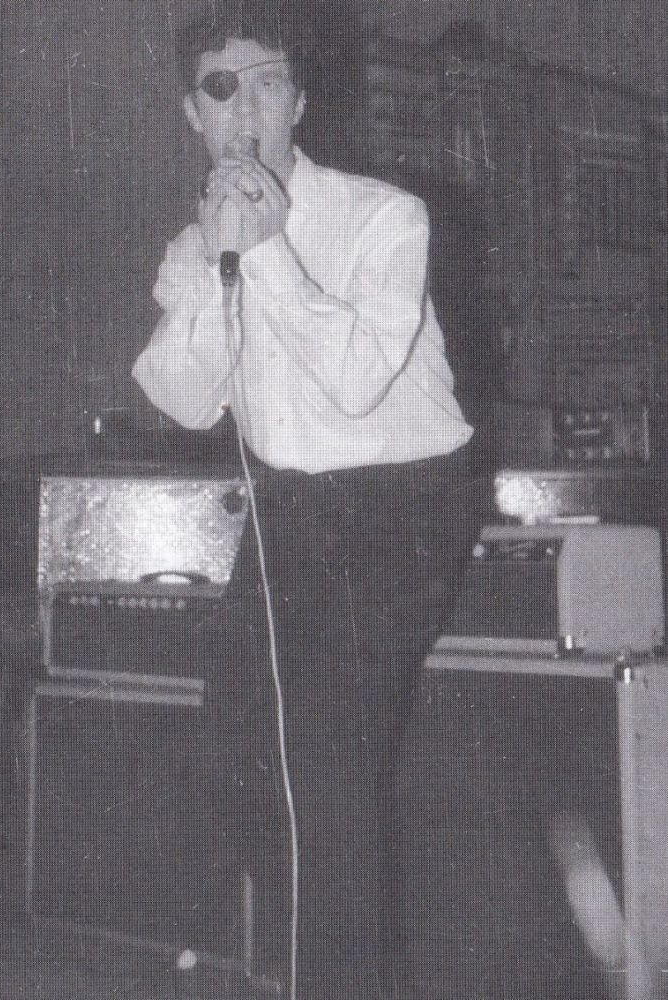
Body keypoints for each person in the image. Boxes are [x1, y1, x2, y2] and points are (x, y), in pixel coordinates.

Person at [132, 4, 482, 996]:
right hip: (292, 508)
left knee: (325, 766)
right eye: (220, 89)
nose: (244, 111)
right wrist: (218, 263)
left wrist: (267, 251)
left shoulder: (384, 217)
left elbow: (360, 379)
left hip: (400, 505)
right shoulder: (197, 242)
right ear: (193, 115)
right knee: (239, 754)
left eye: (267, 83)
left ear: (299, 104)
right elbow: (181, 395)